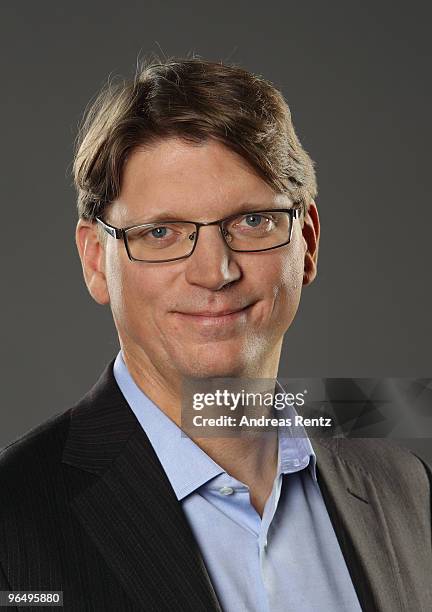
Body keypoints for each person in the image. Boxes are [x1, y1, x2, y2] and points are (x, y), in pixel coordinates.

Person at [0, 57, 431, 612]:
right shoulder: (13, 523)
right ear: (94, 260)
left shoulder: (404, 489)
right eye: (160, 232)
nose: (215, 271)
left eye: (252, 221)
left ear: (308, 243)